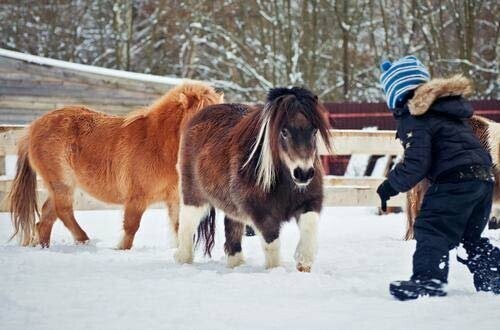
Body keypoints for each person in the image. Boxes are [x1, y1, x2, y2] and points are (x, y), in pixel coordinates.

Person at [376, 55, 500, 300]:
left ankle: (428, 281)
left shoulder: (416, 116)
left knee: (431, 228)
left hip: (455, 181)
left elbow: (416, 162)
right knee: (470, 236)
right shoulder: (449, 112)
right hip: (483, 180)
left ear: (398, 95)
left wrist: (390, 185)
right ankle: (493, 274)